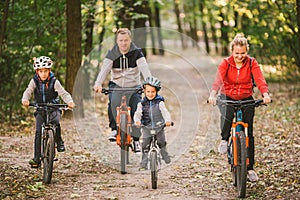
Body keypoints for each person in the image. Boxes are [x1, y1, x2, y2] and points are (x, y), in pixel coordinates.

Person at [208, 33, 271, 181]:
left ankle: (249, 169)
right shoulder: (226, 63)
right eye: (237, 53)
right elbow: (218, 80)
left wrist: (265, 94)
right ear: (232, 51)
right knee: (227, 115)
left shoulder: (251, 63)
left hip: (246, 97)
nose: (240, 56)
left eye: (243, 53)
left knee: (249, 134)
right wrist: (212, 94)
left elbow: (260, 79)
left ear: (246, 51)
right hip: (227, 96)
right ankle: (224, 139)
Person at [93, 28, 151, 152]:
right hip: (117, 85)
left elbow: (144, 69)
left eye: (126, 40)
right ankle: (114, 129)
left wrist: (149, 83)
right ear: (117, 41)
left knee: (137, 109)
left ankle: (136, 140)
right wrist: (98, 83)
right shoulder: (112, 53)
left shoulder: (137, 53)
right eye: (121, 40)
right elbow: (104, 70)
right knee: (113, 102)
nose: (123, 43)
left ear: (130, 40)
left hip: (134, 86)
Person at [22, 56, 75, 168]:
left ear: (49, 71)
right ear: (37, 72)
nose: (44, 74)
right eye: (41, 71)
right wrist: (25, 99)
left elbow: (63, 93)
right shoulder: (34, 81)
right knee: (38, 132)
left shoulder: (54, 81)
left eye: (46, 71)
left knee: (56, 122)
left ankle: (59, 141)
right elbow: (28, 91)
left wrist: (69, 101)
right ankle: (36, 158)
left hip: (53, 107)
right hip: (40, 108)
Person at [134, 77, 172, 170]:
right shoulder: (141, 104)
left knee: (161, 142)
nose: (150, 94)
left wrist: (167, 120)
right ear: (144, 91)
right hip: (147, 127)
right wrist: (137, 121)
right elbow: (138, 114)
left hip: (159, 126)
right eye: (148, 92)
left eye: (153, 92)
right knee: (145, 145)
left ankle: (164, 154)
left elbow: (165, 112)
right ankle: (143, 164)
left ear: (156, 92)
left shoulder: (160, 102)